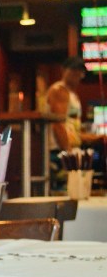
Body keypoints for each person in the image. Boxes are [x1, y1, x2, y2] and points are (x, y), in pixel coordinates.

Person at [46, 56, 101, 189]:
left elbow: (72, 130)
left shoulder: (73, 95)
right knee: (65, 192)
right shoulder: (59, 90)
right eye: (73, 70)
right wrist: (69, 153)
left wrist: (96, 137)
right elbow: (57, 125)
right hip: (59, 152)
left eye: (80, 71)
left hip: (70, 149)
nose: (77, 74)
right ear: (64, 70)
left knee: (95, 158)